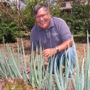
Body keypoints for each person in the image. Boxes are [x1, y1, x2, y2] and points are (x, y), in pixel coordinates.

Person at [30, 3, 76, 75]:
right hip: (52, 57)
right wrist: (30, 65)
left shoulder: (59, 23)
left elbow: (70, 42)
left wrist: (55, 50)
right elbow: (34, 51)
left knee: (69, 52)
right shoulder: (34, 32)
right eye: (37, 17)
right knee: (52, 74)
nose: (41, 19)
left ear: (49, 14)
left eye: (43, 15)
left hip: (64, 52)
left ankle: (69, 74)